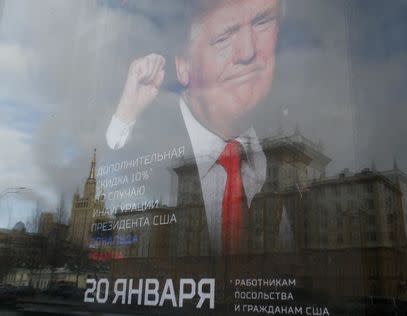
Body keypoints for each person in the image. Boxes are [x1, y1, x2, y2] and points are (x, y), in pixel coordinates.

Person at [105, 0, 294, 255]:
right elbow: (110, 165)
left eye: (262, 22)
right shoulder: (153, 134)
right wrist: (126, 111)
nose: (248, 50)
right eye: (223, 36)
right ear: (184, 67)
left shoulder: (273, 161)